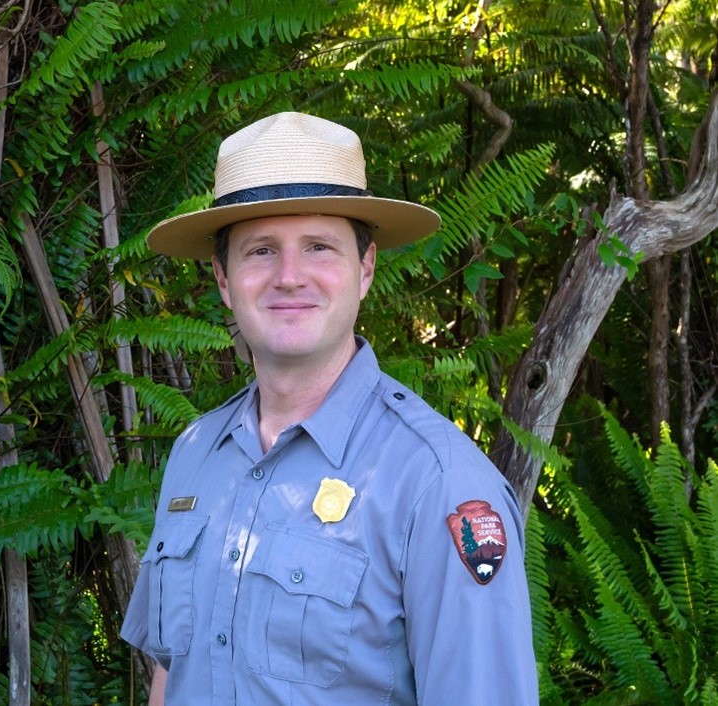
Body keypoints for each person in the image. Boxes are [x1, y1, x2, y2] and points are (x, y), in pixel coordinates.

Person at [121, 111, 538, 705]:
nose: (289, 277)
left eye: (319, 247)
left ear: (364, 269)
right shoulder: (195, 457)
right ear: (222, 277)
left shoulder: (437, 485)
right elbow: (170, 674)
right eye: (261, 250)